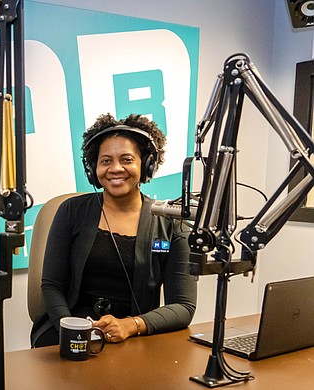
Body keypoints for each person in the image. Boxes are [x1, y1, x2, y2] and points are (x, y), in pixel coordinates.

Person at [30, 113, 196, 347]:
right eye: (106, 161)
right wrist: (75, 329)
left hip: (135, 337)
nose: (116, 168)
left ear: (147, 165)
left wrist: (132, 325)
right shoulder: (71, 211)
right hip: (66, 332)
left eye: (127, 159)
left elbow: (183, 306)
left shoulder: (171, 224)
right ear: (93, 169)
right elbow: (51, 286)